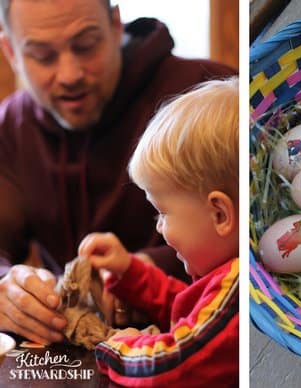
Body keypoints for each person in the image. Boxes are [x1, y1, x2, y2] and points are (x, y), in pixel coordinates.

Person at [0, 0, 236, 346]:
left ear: (115, 25)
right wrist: (7, 287)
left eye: (86, 45)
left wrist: (141, 272)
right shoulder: (10, 130)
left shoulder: (208, 97)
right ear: (10, 51)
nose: (70, 74)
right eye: (43, 56)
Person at [77, 77, 238, 385]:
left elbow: (173, 363)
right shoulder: (224, 285)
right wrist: (130, 272)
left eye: (163, 213)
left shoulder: (236, 290)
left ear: (219, 214)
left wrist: (116, 346)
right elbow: (190, 310)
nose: (159, 226)